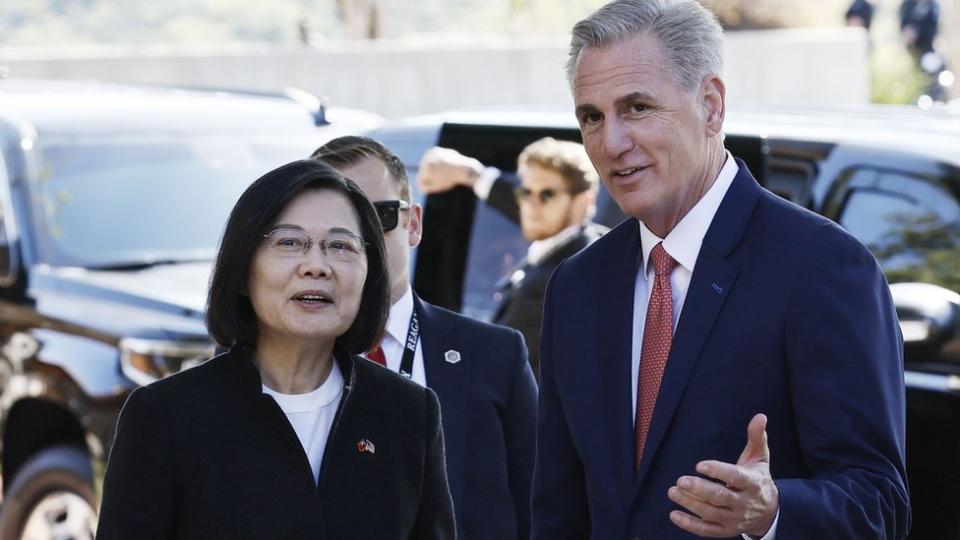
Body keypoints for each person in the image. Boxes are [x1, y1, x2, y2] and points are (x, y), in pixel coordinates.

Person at [532, 1, 910, 539]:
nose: (610, 143)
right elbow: (559, 511)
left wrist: (772, 513)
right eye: (591, 116)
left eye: (637, 108)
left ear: (711, 106)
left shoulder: (822, 267)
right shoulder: (577, 285)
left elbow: (880, 503)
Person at [97, 160, 455, 539]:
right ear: (243, 268)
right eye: (290, 242)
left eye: (340, 246)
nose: (317, 266)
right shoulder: (165, 417)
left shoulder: (409, 414)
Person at [311, 136, 538, 540]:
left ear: (413, 223)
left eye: (376, 216)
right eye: (337, 228)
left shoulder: (493, 356)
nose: (357, 240)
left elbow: (541, 511)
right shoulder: (274, 359)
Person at [417, 137, 607, 376]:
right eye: (526, 192)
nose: (532, 206)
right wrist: (473, 176)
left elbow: (492, 366)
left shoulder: (554, 282)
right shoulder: (596, 243)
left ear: (583, 202)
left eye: (547, 195)